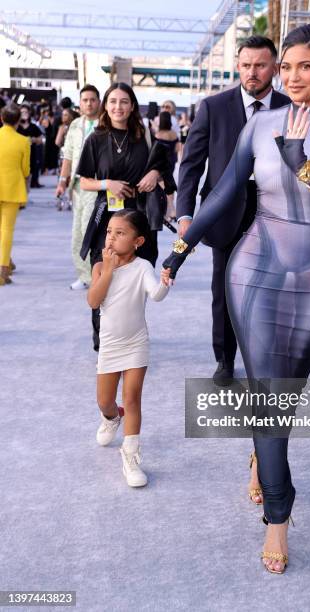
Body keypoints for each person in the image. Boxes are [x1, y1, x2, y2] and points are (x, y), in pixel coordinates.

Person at [162, 25, 310, 573]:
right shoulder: (259, 124)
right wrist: (179, 250)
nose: (293, 77)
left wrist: (305, 164)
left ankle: (262, 452)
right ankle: (278, 518)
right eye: (287, 67)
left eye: (305, 66)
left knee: (286, 392)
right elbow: (224, 193)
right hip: (255, 265)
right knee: (268, 396)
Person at [176, 35, 289, 386]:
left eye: (260, 65)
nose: (252, 72)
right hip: (224, 217)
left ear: (273, 67)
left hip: (276, 217)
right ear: (237, 66)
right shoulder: (213, 107)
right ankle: (225, 359)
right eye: (246, 65)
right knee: (224, 291)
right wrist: (185, 214)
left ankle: (264, 358)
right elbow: (192, 164)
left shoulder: (291, 107)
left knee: (271, 291)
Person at [77, 82, 172, 352]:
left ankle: (129, 339)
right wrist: (108, 184)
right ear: (106, 106)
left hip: (140, 219)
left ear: (132, 106)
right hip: (107, 221)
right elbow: (84, 182)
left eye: (124, 101)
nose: (118, 107)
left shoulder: (145, 137)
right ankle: (103, 342)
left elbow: (163, 171)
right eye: (113, 101)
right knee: (103, 278)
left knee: (135, 283)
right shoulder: (95, 139)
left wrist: (155, 174)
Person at [87, 210, 169, 486]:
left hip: (136, 343)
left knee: (132, 398)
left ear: (138, 241)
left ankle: (131, 456)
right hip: (110, 345)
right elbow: (93, 301)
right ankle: (112, 417)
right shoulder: (100, 266)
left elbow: (155, 295)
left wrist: (166, 281)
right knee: (104, 401)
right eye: (110, 231)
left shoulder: (143, 267)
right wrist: (108, 270)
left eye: (120, 233)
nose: (111, 238)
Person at [56, 84, 101, 290]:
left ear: (99, 102)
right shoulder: (75, 125)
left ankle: (95, 276)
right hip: (77, 185)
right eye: (85, 100)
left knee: (88, 228)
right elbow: (68, 155)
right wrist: (62, 181)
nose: (89, 103)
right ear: (80, 103)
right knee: (77, 232)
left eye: (92, 99)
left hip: (96, 184)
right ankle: (84, 275)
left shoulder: (105, 124)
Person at [0, 104, 30, 285]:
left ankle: (6, 261)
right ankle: (3, 269)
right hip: (12, 189)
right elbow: (26, 170)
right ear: (18, 121)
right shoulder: (23, 141)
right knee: (6, 230)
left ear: (2, 119)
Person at [17, 105, 43, 189]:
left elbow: (40, 139)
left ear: (29, 113)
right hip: (19, 152)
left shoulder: (33, 126)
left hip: (31, 151)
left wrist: (33, 139)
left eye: (26, 112)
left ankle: (29, 186)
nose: (24, 114)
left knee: (31, 169)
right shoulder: (16, 126)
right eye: (22, 112)